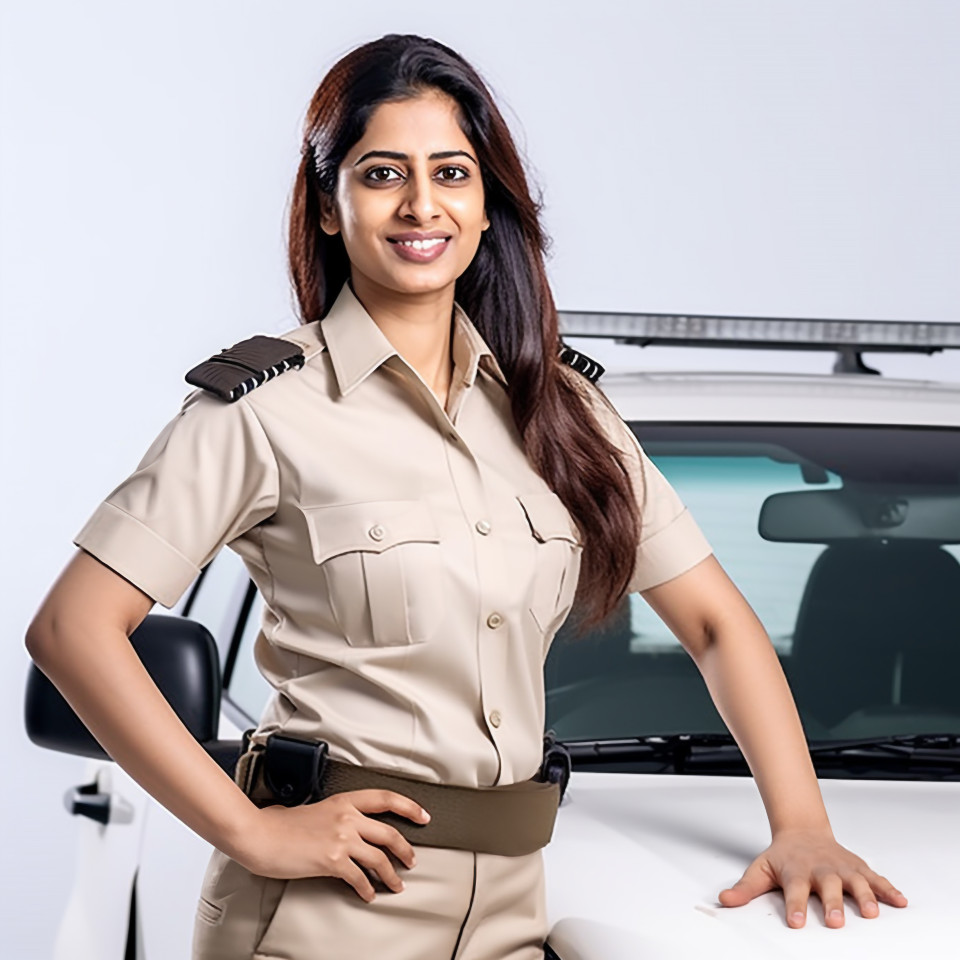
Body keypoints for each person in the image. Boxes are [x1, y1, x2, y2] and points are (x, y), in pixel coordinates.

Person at [26, 33, 907, 960]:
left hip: (516, 914)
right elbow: (72, 629)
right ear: (328, 208)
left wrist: (801, 824)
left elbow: (721, 625)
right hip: (329, 910)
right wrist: (249, 831)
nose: (421, 204)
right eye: (380, 174)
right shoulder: (263, 412)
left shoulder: (564, 415)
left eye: (452, 171)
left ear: (488, 205)